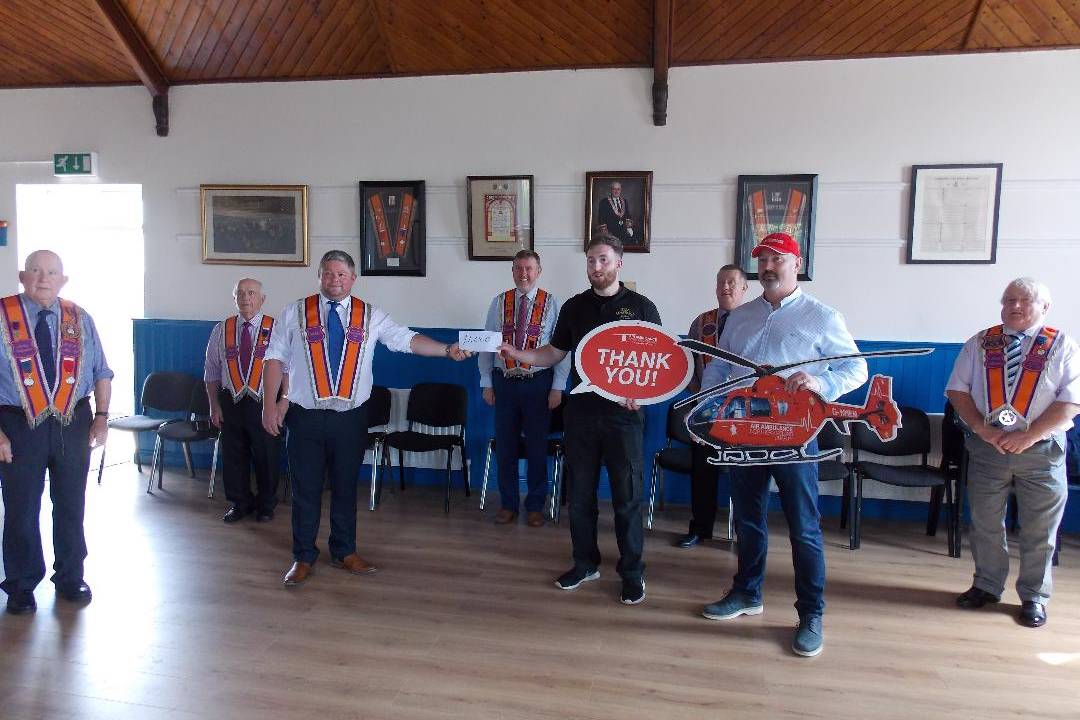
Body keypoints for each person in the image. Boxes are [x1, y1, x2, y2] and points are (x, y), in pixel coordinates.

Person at [698, 232, 866, 657]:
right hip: (745, 436)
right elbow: (719, 367)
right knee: (748, 519)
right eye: (763, 260)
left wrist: (820, 383)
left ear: (797, 263)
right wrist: (708, 402)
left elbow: (856, 369)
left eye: (777, 258)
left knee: (803, 527)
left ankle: (811, 613)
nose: (768, 266)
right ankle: (747, 593)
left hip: (795, 439)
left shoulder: (822, 317)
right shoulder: (739, 316)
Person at [262, 250, 471, 588]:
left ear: (353, 279)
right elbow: (274, 358)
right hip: (305, 418)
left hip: (350, 418)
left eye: (341, 274)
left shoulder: (370, 315)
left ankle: (345, 551)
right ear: (319, 276)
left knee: (346, 487)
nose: (334, 280)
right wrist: (269, 405)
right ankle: (303, 556)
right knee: (305, 489)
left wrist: (446, 350)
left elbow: (406, 340)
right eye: (328, 273)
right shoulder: (294, 312)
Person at [501, 235, 660, 605]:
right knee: (579, 498)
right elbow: (554, 352)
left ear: (618, 263)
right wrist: (520, 354)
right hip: (581, 416)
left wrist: (642, 394)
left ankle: (632, 573)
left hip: (624, 419)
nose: (596, 267)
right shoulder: (574, 307)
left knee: (627, 500)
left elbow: (654, 363)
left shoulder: (642, 307)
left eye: (603, 259)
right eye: (591, 260)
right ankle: (585, 564)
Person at [946, 278, 1080, 628]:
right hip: (988, 448)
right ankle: (987, 585)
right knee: (985, 522)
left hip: (1041, 451)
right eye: (1008, 300)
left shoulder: (1063, 345)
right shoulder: (981, 342)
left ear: (1045, 307)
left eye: (1024, 300)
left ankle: (1034, 596)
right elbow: (957, 391)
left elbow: (1071, 401)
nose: (1014, 306)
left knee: (1041, 528)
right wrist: (982, 429)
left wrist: (1029, 436)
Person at [0, 250, 113, 615]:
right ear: (22, 276)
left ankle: (70, 576)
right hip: (16, 424)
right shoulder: (3, 315)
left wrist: (102, 416)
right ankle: (21, 584)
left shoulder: (79, 318)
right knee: (21, 508)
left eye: (51, 272)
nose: (43, 278)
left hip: (73, 422)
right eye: (35, 271)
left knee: (70, 504)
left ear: (63, 280)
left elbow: (101, 371)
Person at [479, 250, 570, 527]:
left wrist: (558, 387)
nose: (524, 274)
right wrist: (486, 382)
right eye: (518, 268)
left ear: (538, 271)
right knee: (506, 446)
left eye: (529, 268)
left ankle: (535, 506)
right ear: (512, 271)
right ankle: (508, 504)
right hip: (504, 382)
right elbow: (487, 343)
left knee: (536, 447)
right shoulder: (499, 302)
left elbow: (562, 349)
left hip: (538, 384)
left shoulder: (552, 304)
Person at [676, 264, 749, 548]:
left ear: (744, 288)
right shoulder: (702, 322)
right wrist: (699, 396)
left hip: (743, 412)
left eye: (731, 282)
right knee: (703, 470)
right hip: (706, 409)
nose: (725, 287)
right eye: (721, 282)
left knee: (745, 473)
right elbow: (687, 364)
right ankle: (700, 528)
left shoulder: (754, 320)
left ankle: (745, 533)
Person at [204, 278, 284, 524]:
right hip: (232, 402)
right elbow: (211, 371)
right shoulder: (222, 329)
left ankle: (266, 504)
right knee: (233, 456)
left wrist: (282, 403)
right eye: (240, 293)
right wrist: (214, 405)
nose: (245, 298)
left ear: (262, 299)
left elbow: (289, 369)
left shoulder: (276, 328)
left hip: (265, 402)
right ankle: (240, 503)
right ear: (234, 298)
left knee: (267, 455)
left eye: (251, 293)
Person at [597, 181, 635, 246]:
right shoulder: (604, 202)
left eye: (618, 189)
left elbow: (627, 215)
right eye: (614, 189)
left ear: (621, 190)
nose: (616, 191)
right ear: (611, 190)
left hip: (623, 231)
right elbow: (601, 218)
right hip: (610, 233)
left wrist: (629, 228)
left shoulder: (624, 201)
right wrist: (605, 234)